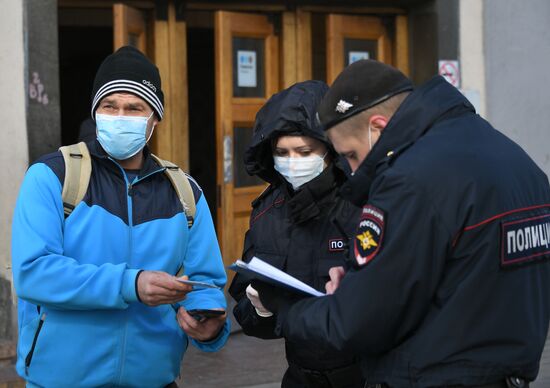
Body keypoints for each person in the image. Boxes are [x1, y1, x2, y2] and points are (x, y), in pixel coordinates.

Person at [252, 60, 550, 388]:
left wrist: (283, 307)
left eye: (350, 154)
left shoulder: (410, 179)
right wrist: (360, 279)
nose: (352, 169)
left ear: (377, 128)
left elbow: (354, 323)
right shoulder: (518, 162)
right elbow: (462, 273)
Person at [11, 46, 229, 387]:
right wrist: (131, 284)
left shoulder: (185, 192)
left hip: (155, 380)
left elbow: (206, 281)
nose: (120, 115)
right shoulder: (51, 176)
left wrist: (209, 320)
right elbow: (33, 273)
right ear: (95, 112)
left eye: (134, 108)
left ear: (154, 119)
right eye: (109, 106)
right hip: (60, 380)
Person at [228, 80, 364, 388]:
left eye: (304, 151)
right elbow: (250, 318)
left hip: (367, 375)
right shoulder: (268, 213)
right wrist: (261, 309)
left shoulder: (361, 204)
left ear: (330, 150)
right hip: (301, 376)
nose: (292, 162)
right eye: (282, 152)